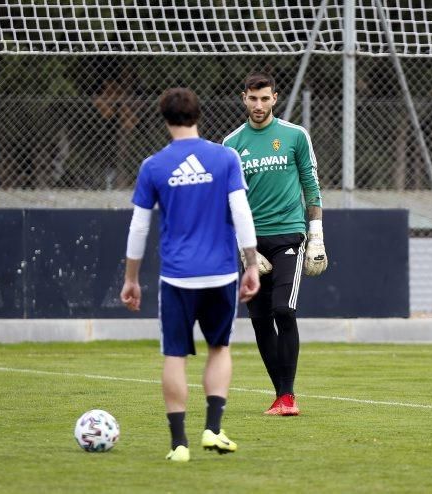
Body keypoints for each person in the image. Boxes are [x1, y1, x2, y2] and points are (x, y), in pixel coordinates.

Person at [120, 87, 260, 462]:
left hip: (177, 278)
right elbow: (242, 214)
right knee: (220, 348)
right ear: (200, 115)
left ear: (164, 119)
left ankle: (179, 444)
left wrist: (131, 278)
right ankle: (213, 429)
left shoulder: (153, 165)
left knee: (174, 356)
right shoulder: (225, 157)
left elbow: (138, 227)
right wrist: (251, 264)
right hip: (220, 276)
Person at [222, 72, 327, 417]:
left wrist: (316, 235)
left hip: (289, 236)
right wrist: (242, 247)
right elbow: (229, 200)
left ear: (275, 98)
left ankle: (288, 394)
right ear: (244, 99)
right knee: (261, 321)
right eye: (253, 98)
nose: (259, 105)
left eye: (265, 98)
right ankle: (281, 396)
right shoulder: (232, 144)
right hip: (253, 244)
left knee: (284, 309)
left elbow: (311, 186)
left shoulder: (295, 136)